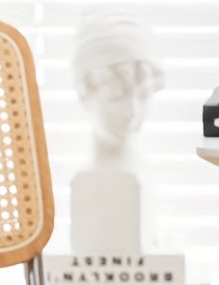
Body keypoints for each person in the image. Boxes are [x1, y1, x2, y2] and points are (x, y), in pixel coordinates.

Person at [69, 13, 164, 255]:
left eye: (142, 96)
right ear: (83, 94)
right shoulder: (91, 186)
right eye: (117, 97)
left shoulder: (144, 176)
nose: (132, 110)